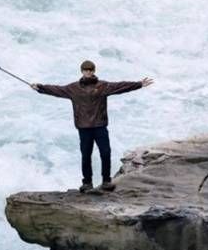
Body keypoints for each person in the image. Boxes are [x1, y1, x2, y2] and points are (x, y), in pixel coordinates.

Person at [31, 61, 153, 194]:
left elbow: (121, 86)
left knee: (105, 153)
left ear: (94, 71)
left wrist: (139, 84)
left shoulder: (103, 86)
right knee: (86, 155)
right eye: (86, 70)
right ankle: (87, 183)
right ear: (82, 71)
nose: (88, 72)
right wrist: (40, 88)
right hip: (84, 128)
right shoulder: (73, 88)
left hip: (100, 126)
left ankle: (106, 181)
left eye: (91, 70)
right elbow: (56, 90)